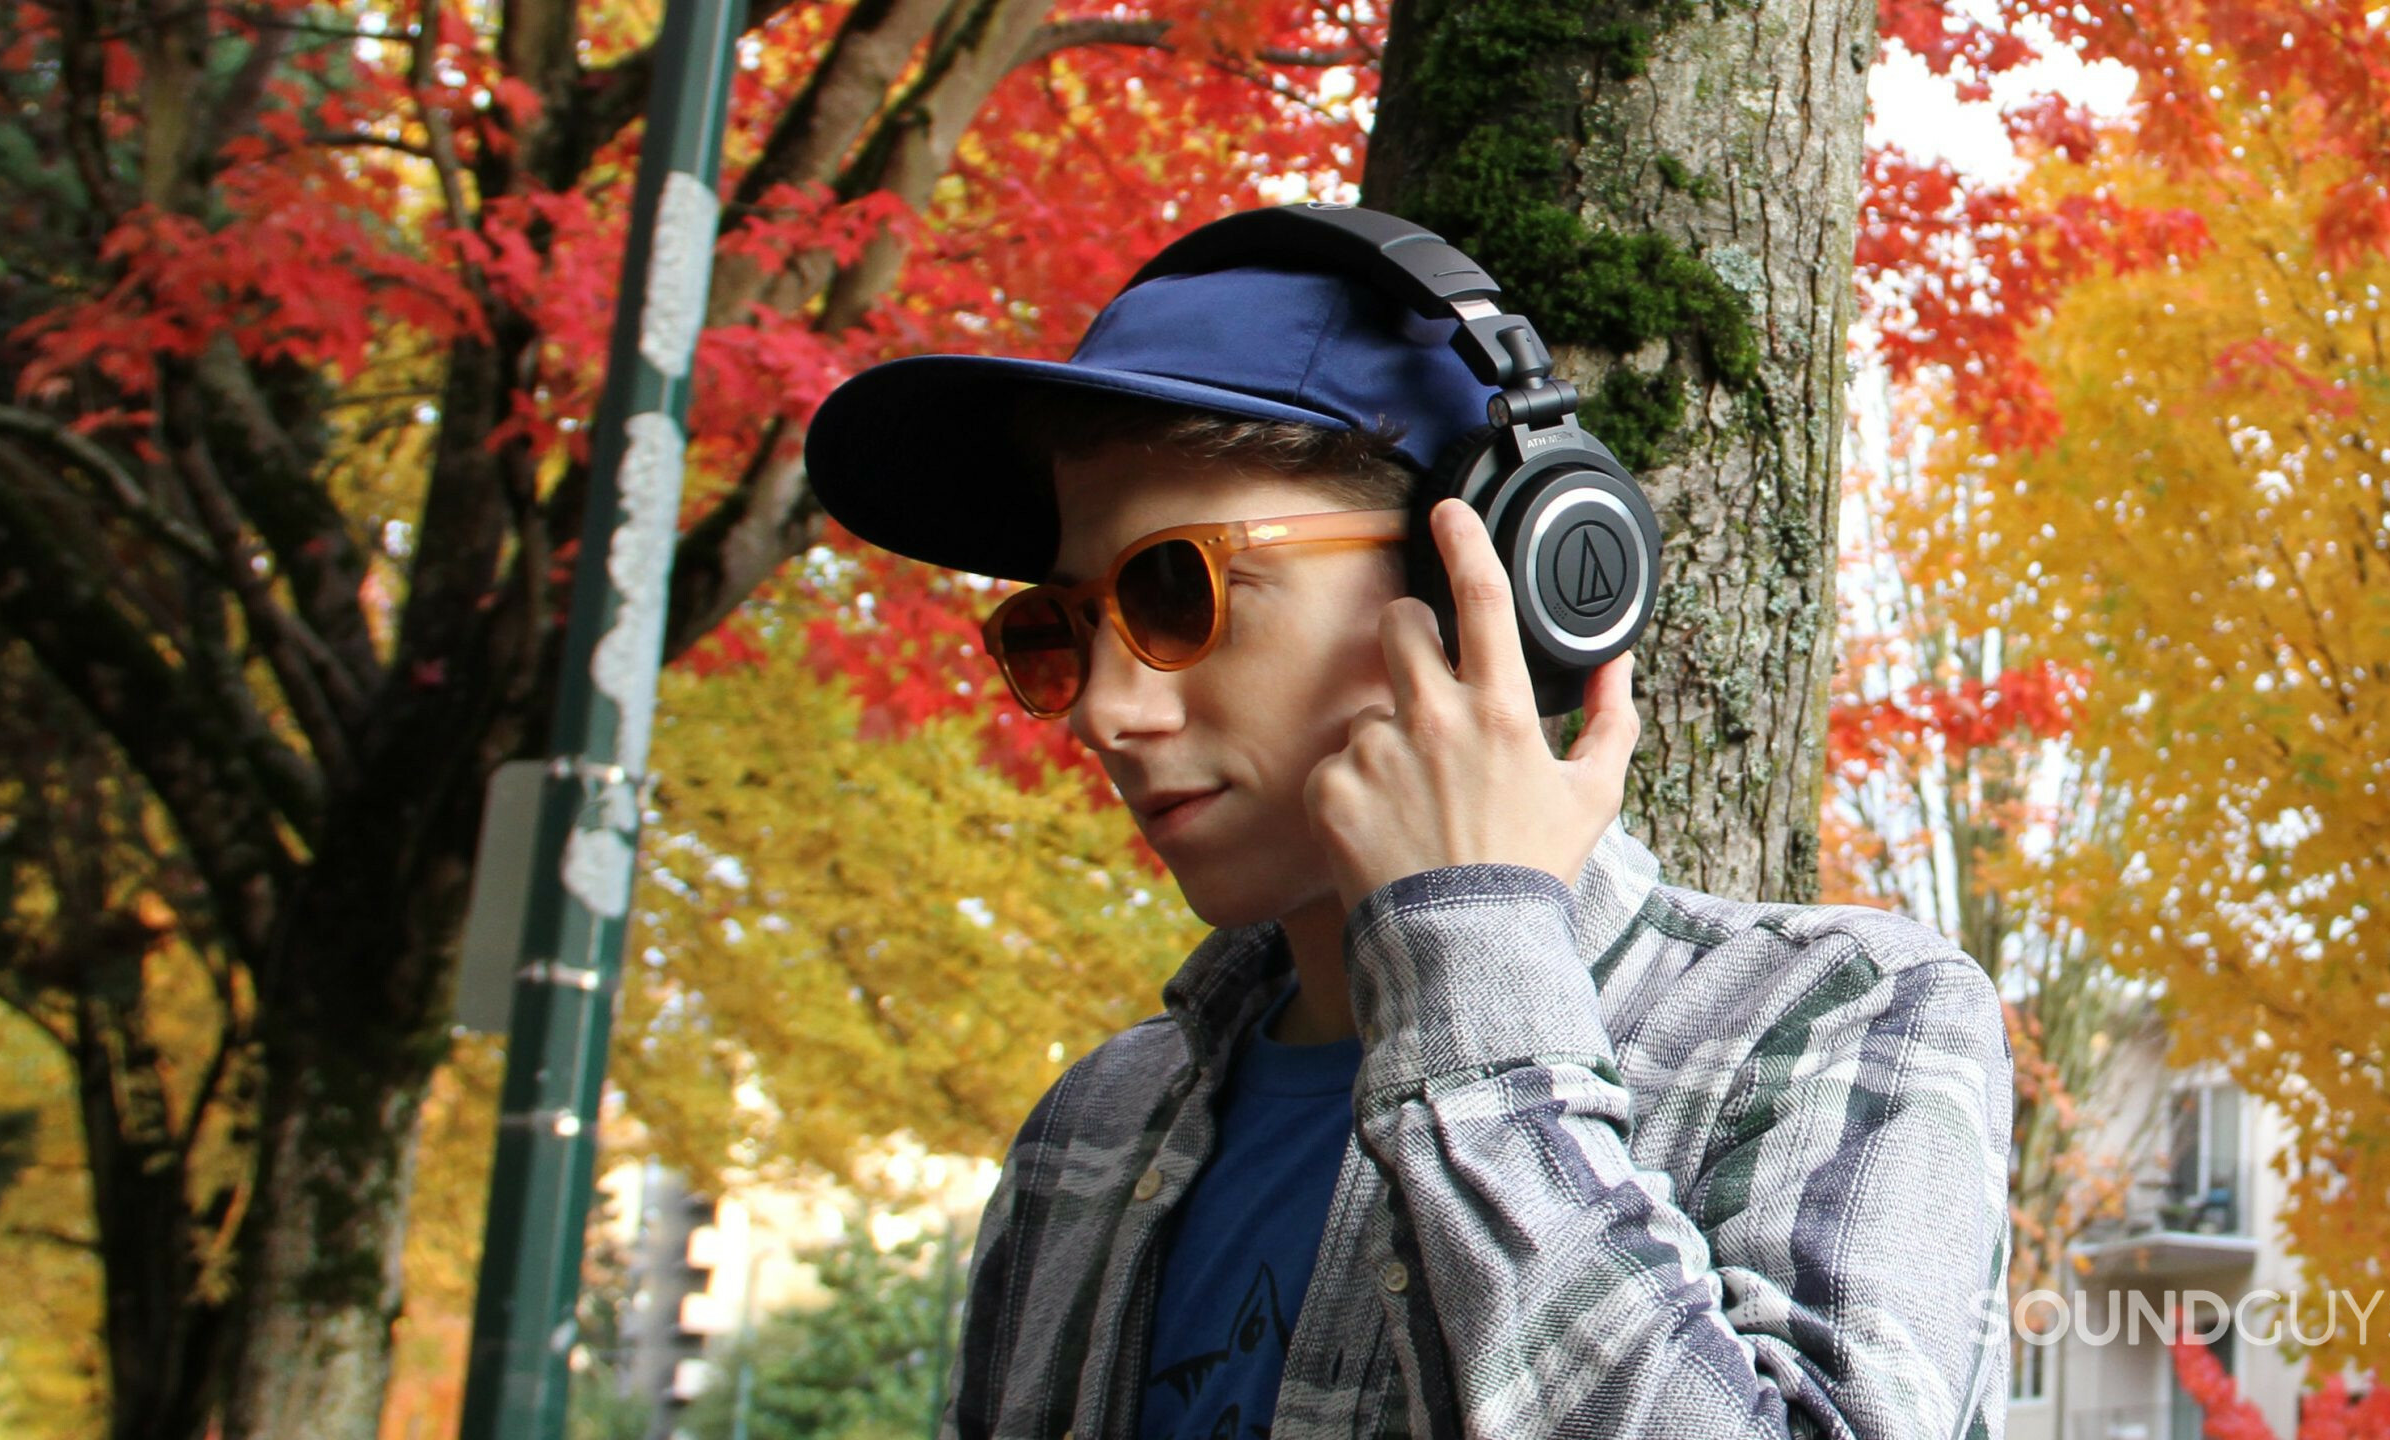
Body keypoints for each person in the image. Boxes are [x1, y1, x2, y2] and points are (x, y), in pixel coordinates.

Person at [802, 205, 2014, 1440]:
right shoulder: (1091, 1129)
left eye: (1177, 589)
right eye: (1054, 632)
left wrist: (1468, 959)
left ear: (1467, 584)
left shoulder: (1836, 1018)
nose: (1104, 711)